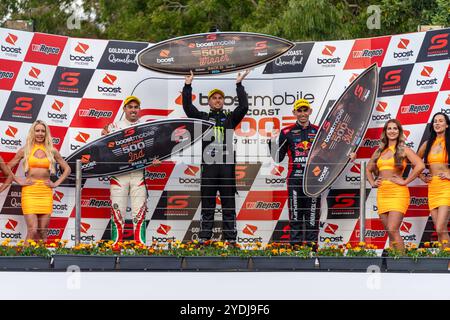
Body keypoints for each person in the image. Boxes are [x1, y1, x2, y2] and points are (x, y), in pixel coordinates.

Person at [182, 70, 250, 242]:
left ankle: (231, 240)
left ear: (223, 101)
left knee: (228, 206)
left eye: (220, 98)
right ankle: (204, 239)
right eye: (214, 98)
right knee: (207, 206)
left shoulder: (230, 118)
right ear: (209, 102)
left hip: (226, 167)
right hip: (209, 167)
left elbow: (243, 107)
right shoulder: (203, 118)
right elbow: (188, 108)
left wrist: (239, 85)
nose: (218, 100)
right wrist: (187, 86)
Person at [102, 96, 159, 245]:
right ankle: (115, 247)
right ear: (124, 109)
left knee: (139, 213)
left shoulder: (147, 127)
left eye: (136, 107)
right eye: (130, 107)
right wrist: (104, 134)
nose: (133, 110)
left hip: (138, 176)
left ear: (139, 110)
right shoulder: (114, 127)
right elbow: (102, 148)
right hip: (119, 176)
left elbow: (154, 149)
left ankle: (140, 247)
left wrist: (155, 160)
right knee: (117, 212)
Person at [7, 120, 71, 243]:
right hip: (30, 191)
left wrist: (56, 183)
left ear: (46, 133)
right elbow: (8, 167)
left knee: (43, 230)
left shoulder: (52, 150)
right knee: (33, 229)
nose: (40, 133)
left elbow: (67, 169)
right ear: (33, 132)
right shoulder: (25, 150)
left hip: (46, 192)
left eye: (43, 131)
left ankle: (43, 261)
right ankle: (24, 260)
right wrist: (18, 180)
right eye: (37, 131)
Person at [366, 119, 424, 252]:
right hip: (382, 193)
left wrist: (405, 181)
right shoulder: (379, 151)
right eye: (389, 128)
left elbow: (420, 165)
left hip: (398, 192)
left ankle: (401, 264)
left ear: (399, 132)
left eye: (395, 128)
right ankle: (394, 262)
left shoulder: (404, 149)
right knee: (390, 231)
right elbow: (368, 169)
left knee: (393, 228)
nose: (392, 131)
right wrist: (373, 182)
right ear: (385, 132)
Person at [269, 99, 320, 246]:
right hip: (295, 179)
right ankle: (296, 250)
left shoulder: (318, 131)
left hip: (314, 181)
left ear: (310, 111)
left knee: (312, 218)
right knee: (296, 216)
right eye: (299, 110)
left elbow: (327, 154)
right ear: (294, 113)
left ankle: (312, 250)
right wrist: (271, 142)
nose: (302, 113)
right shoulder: (287, 132)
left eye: (305, 110)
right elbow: (277, 157)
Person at [417, 112, 450, 247]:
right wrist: (421, 176)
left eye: (441, 121)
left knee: (441, 226)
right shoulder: (427, 144)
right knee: (438, 228)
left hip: (446, 187)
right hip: (433, 187)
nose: (437, 123)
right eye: (435, 121)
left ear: (447, 125)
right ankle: (445, 258)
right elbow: (415, 162)